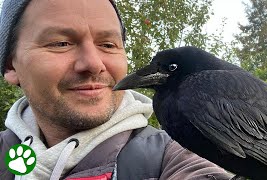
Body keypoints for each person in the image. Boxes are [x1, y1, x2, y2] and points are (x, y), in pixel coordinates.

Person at [0, 0, 234, 179]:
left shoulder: (177, 157)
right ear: (11, 65)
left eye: (108, 45)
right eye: (61, 43)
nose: (94, 64)